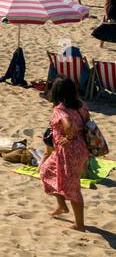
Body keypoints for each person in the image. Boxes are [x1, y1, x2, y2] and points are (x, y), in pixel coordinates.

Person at [38, 77, 89, 232]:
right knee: (46, 170)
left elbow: (68, 125)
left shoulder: (60, 110)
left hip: (69, 152)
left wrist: (69, 136)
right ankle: (61, 206)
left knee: (73, 188)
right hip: (78, 149)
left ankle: (79, 225)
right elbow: (86, 121)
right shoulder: (81, 105)